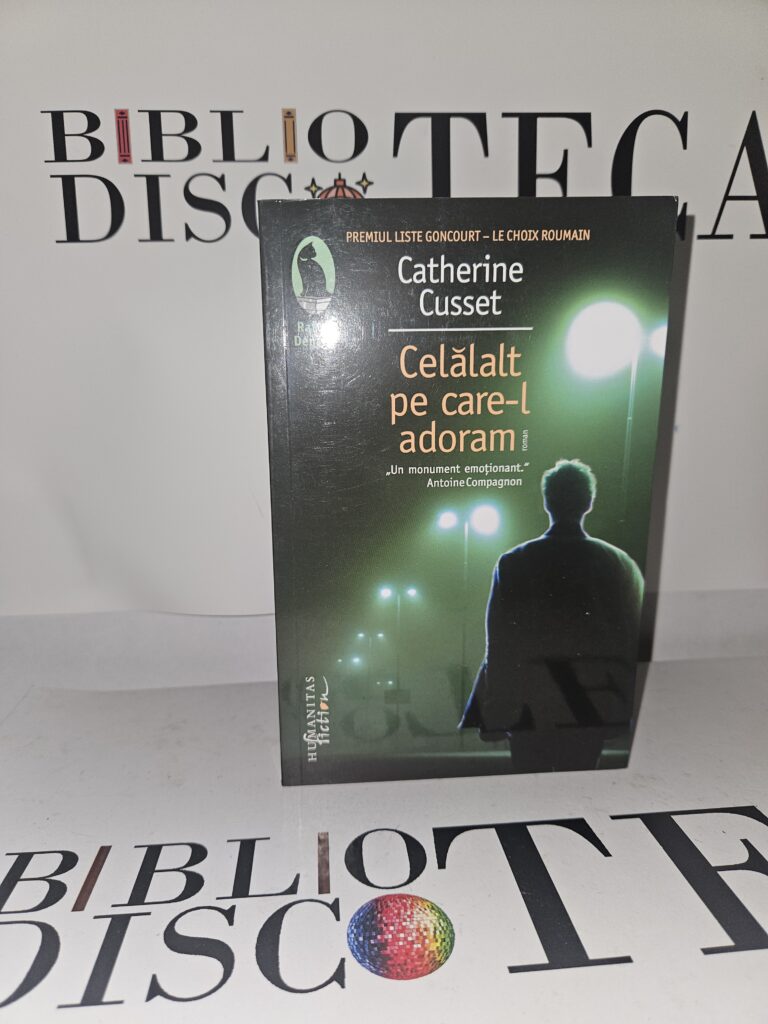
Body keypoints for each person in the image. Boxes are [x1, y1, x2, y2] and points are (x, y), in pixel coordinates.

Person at [461, 458, 644, 771]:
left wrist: (496, 707)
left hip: (530, 704)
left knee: (529, 786)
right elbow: (631, 641)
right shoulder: (618, 564)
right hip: (590, 703)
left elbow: (500, 644)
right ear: (588, 502)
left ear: (547, 502)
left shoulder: (514, 562)